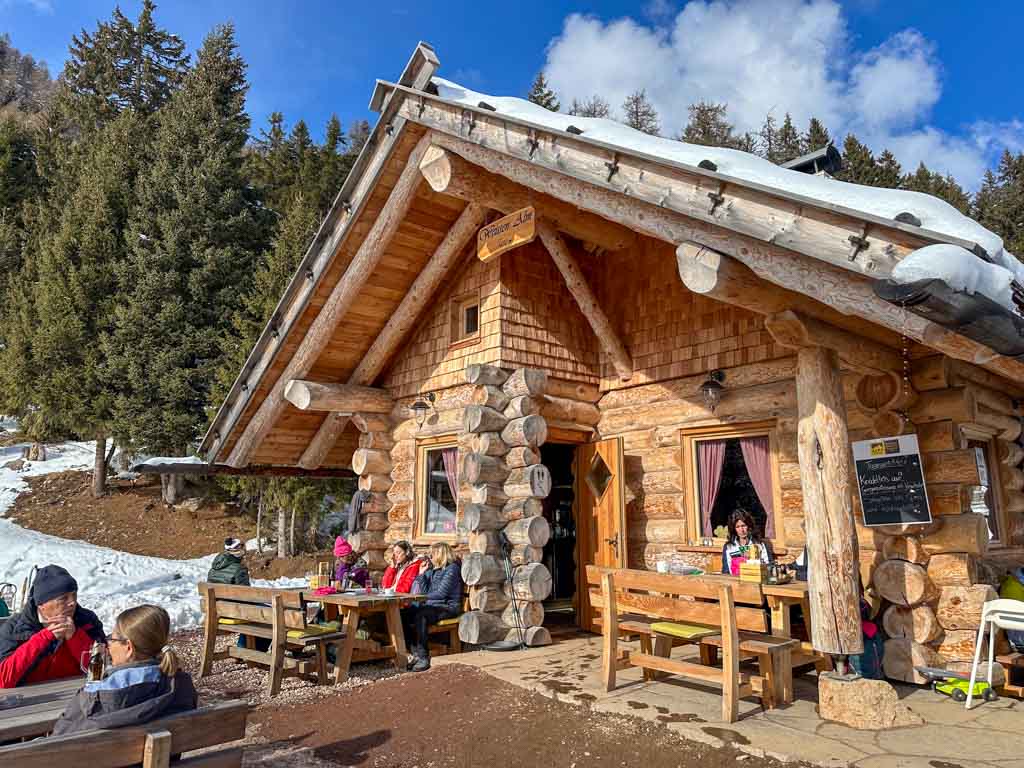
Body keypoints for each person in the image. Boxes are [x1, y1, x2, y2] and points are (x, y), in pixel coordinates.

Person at [52, 604, 197, 735]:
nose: (108, 644)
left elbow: (58, 741)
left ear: (128, 647)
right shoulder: (181, 684)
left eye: (112, 639)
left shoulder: (91, 699)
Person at [0, 565, 105, 688]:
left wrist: (75, 637)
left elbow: (99, 671)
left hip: (79, 693)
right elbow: (3, 679)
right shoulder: (14, 628)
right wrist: (43, 638)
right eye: (63, 599)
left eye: (74, 595)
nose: (72, 603)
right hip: (31, 697)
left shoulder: (87, 620)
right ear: (42, 604)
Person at [402, 543, 463, 672]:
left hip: (448, 607)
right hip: (433, 606)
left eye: (433, 554)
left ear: (441, 555)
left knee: (421, 615)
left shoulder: (452, 569)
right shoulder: (435, 570)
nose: (430, 557)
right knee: (404, 613)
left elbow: (441, 594)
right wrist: (421, 574)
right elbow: (425, 591)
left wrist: (419, 598)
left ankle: (423, 657)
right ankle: (413, 652)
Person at [720, 509, 773, 575]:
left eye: (743, 526)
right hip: (735, 580)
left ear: (749, 525)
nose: (741, 530)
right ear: (734, 529)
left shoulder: (760, 544)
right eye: (737, 527)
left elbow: (769, 567)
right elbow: (726, 572)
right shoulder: (729, 547)